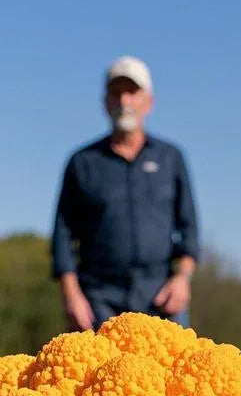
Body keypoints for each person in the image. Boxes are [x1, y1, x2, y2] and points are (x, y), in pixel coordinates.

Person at [51, 56, 199, 332]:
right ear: (105, 102)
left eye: (132, 92)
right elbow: (62, 235)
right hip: (98, 298)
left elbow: (189, 227)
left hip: (160, 296)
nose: (124, 100)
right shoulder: (82, 163)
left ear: (149, 102)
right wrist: (71, 295)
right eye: (116, 93)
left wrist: (182, 279)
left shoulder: (171, 158)